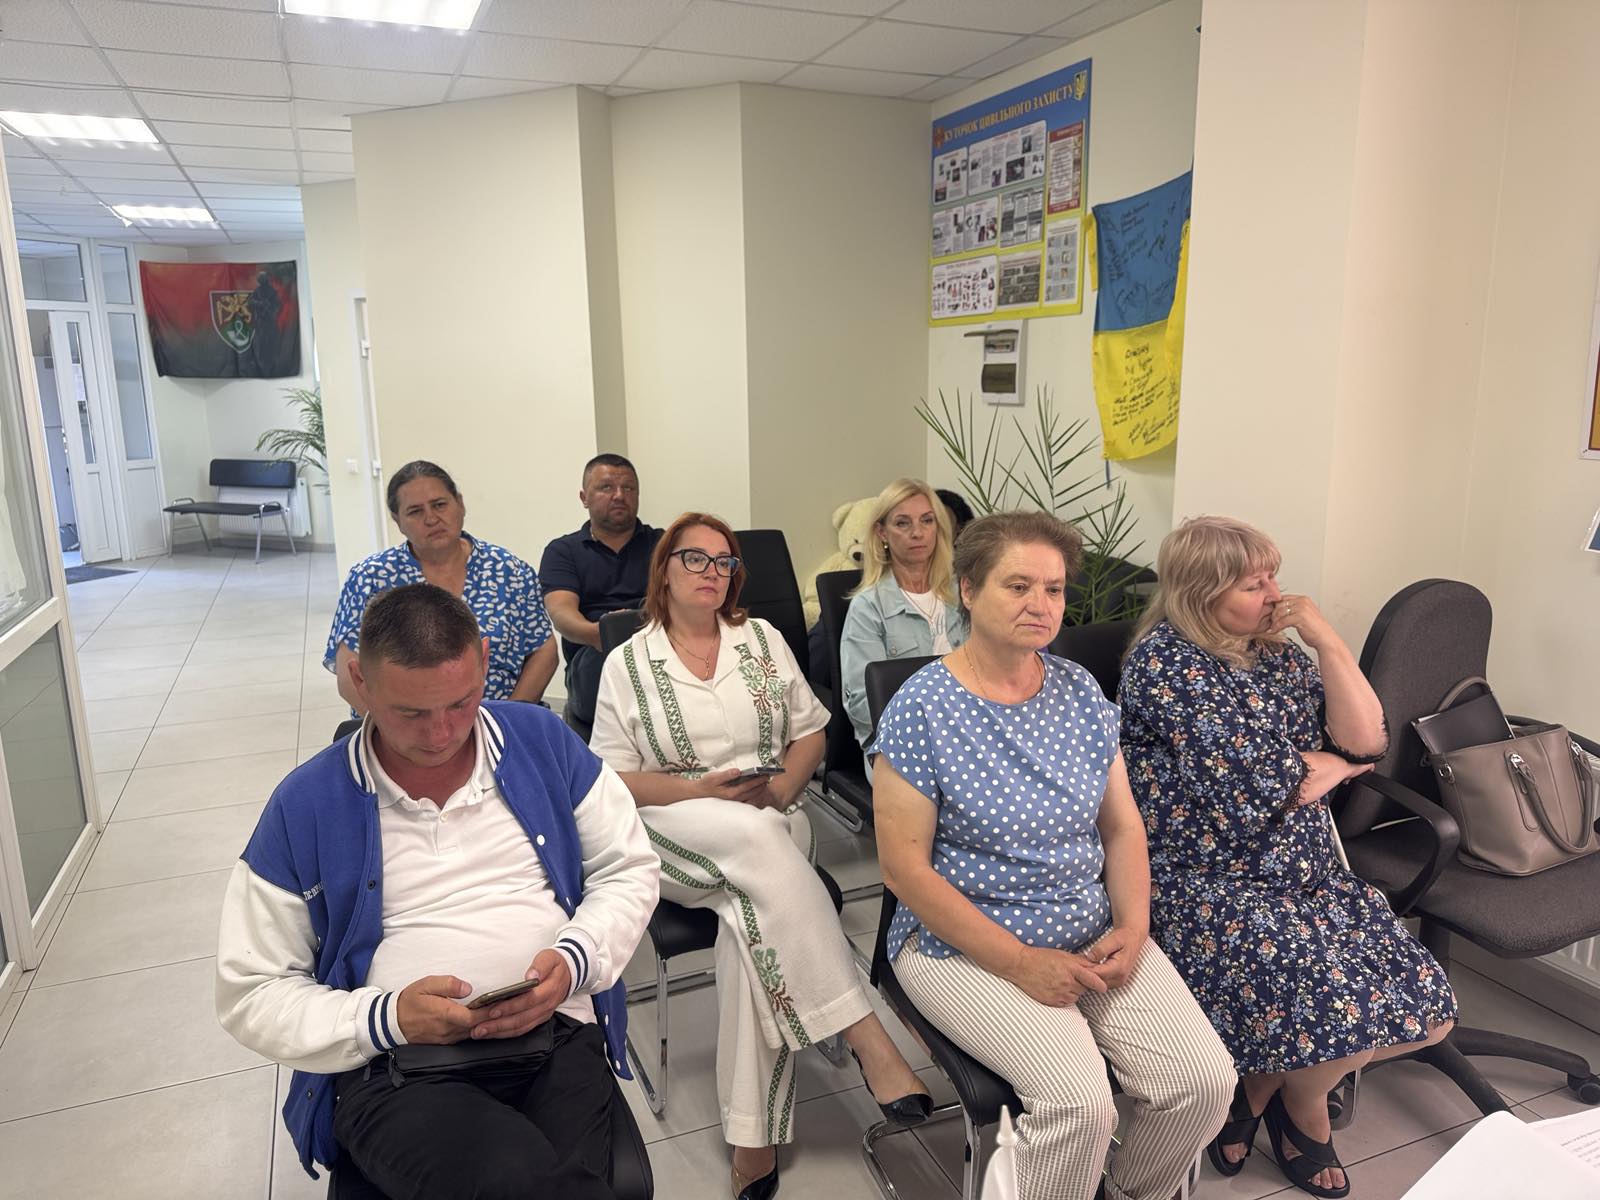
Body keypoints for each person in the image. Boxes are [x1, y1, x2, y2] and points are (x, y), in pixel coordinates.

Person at [217, 584, 659, 1199]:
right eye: (411, 713)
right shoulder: (306, 804)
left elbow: (627, 867)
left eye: (460, 702)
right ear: (359, 680)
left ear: (483, 659)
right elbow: (251, 990)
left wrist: (575, 959)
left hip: (555, 1036)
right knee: (526, 1182)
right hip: (397, 1069)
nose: (441, 733)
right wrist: (386, 1017)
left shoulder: (543, 742)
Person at [872, 511, 1234, 1200]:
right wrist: (1020, 963)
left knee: (1203, 1082)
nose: (1041, 604)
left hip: (1088, 927)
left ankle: (1127, 1192)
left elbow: (1121, 829)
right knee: (1080, 1106)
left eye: (1055, 589)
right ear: (969, 590)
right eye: (1018, 586)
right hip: (963, 943)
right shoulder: (924, 709)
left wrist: (1133, 927)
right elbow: (903, 871)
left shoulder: (1079, 691)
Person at [590, 512, 932, 1200]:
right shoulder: (627, 662)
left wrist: (778, 790)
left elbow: (811, 732)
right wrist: (696, 789)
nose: (713, 572)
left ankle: (753, 1139)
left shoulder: (763, 639)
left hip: (775, 814)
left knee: (747, 928)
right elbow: (611, 778)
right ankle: (866, 1033)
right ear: (664, 570)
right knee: (757, 845)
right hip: (672, 826)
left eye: (724, 562)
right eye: (695, 559)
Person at [1118, 516, 1458, 1198]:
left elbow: (1368, 741)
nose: (1275, 594)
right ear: (1201, 592)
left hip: (1307, 874)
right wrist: (1338, 765)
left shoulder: (1275, 655)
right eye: (1254, 584)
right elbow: (1264, 784)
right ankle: (1302, 1110)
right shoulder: (1167, 664)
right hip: (1208, 883)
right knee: (1343, 1017)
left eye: (1273, 576)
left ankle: (1267, 1086)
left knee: (1432, 1015)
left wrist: (1326, 641)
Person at [325, 461, 557, 714]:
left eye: (439, 505)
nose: (431, 519)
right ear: (397, 520)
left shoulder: (509, 570)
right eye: (415, 511)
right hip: (400, 727)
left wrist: (509, 720)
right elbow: (349, 676)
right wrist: (395, 728)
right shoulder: (370, 578)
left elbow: (543, 652)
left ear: (460, 504)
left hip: (499, 718)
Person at [839, 478, 967, 755]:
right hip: (900, 742)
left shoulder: (964, 594)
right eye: (902, 523)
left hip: (968, 732)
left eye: (927, 521)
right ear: (882, 532)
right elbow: (862, 705)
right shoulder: (868, 607)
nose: (917, 533)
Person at [539, 454, 662, 729]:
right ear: (584, 497)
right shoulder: (563, 551)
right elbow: (561, 613)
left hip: (659, 644)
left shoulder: (663, 544)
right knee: (610, 659)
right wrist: (603, 634)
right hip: (594, 657)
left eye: (628, 488)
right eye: (606, 487)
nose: (619, 495)